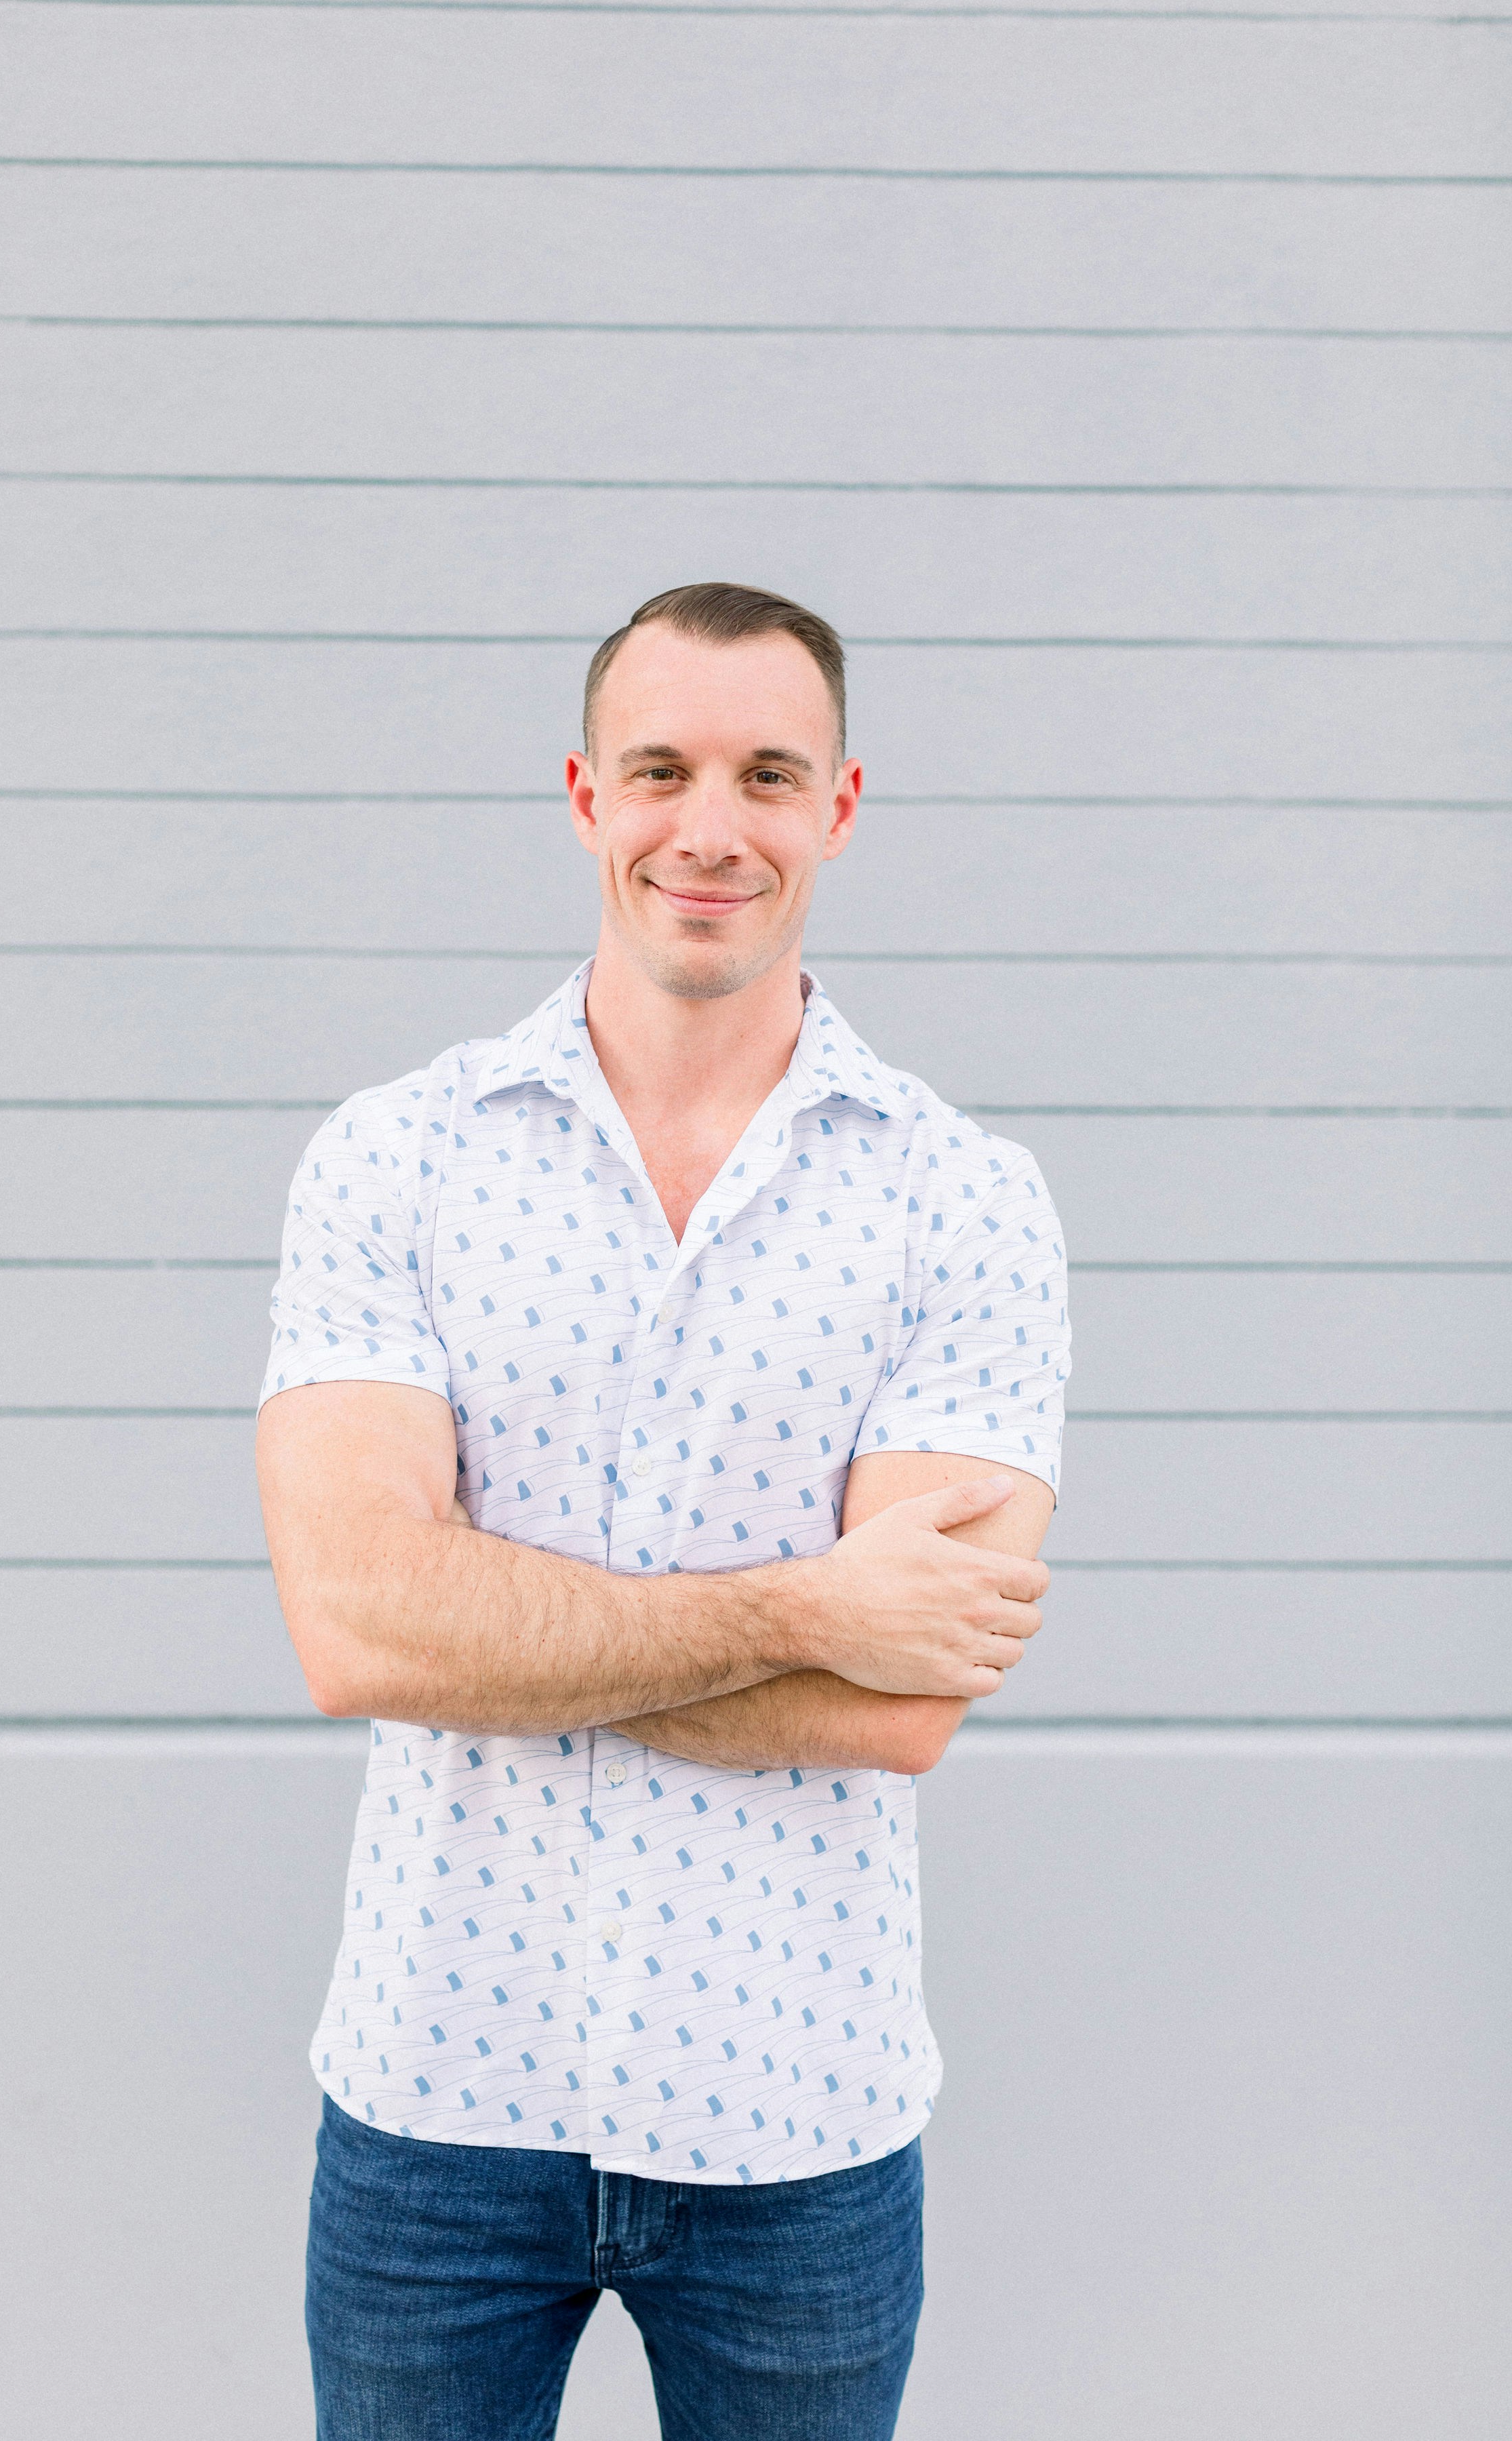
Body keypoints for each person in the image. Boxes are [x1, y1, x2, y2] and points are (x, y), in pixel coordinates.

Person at [256, 582, 1069, 2440]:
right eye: (661, 771)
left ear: (839, 807)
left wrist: (493, 1632)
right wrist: (806, 1608)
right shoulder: (399, 1157)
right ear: (584, 797)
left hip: (800, 2114)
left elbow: (904, 1705)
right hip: (439, 2095)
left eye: (768, 774)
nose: (712, 826)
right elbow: (356, 1629)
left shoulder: (963, 1201)